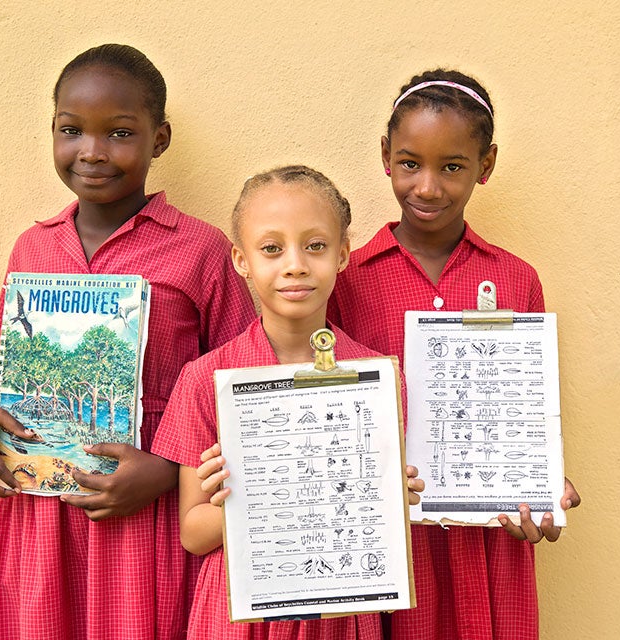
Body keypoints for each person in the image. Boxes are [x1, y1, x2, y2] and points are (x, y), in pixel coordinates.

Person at [0, 44, 255, 640]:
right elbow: (19, 375)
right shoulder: (32, 250)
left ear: (158, 139)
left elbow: (237, 388)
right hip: (43, 511)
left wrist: (166, 472)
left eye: (118, 132)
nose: (91, 151)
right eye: (71, 130)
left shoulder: (200, 250)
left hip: (150, 512)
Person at [327, 69, 582, 639]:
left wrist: (543, 482)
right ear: (386, 156)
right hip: (392, 540)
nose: (427, 187)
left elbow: (527, 411)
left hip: (491, 536)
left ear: (485, 166)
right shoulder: (346, 282)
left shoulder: (516, 279)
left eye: (453, 167)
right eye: (411, 163)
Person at [151, 165, 425, 640]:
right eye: (271, 248)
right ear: (241, 260)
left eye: (315, 246)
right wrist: (263, 496)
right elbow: (193, 533)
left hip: (343, 613)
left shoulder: (377, 378)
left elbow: (378, 523)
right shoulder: (205, 379)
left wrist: (385, 499)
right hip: (241, 614)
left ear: (342, 255)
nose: (295, 264)